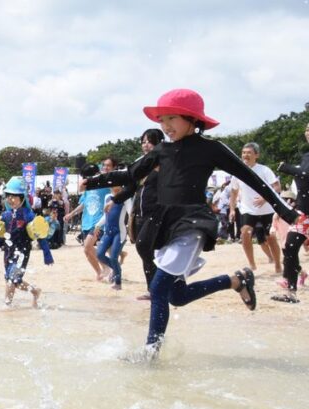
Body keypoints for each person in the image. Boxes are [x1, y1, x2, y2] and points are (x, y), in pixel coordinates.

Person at [83, 89, 299, 356]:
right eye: (161, 120)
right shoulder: (161, 151)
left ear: (191, 119)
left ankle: (150, 352)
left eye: (171, 118)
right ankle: (235, 281)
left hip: (193, 222)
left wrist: (286, 211)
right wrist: (93, 181)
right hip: (165, 226)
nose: (165, 126)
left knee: (159, 288)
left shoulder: (211, 148)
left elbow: (253, 179)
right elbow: (130, 173)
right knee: (176, 296)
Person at [112, 128, 165, 299]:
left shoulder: (166, 161)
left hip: (159, 213)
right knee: (145, 251)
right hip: (140, 214)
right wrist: (115, 199)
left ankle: (165, 285)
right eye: (143, 141)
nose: (146, 144)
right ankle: (153, 289)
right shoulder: (140, 164)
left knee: (150, 248)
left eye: (150, 141)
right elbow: (132, 187)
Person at [0, 178, 54, 307]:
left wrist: (47, 253)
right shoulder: (6, 215)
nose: (10, 199)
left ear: (22, 197)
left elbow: (40, 234)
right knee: (13, 280)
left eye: (14, 196)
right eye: (8, 196)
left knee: (12, 278)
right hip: (8, 252)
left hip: (22, 252)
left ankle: (7, 306)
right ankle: (35, 291)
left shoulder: (28, 215)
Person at [229, 142, 282, 273]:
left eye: (249, 153)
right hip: (248, 209)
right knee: (245, 233)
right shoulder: (237, 171)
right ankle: (252, 264)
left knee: (270, 237)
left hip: (267, 209)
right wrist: (231, 209)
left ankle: (277, 263)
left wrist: (265, 198)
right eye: (243, 152)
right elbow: (234, 192)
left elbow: (277, 187)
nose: (245, 155)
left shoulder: (264, 170)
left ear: (256, 155)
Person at [273, 122, 309, 303]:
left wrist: (286, 167)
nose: (308, 132)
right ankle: (291, 291)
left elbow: (305, 173)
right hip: (304, 213)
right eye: (307, 129)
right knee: (290, 246)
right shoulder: (306, 156)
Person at [66, 159, 113, 280]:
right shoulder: (88, 189)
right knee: (87, 251)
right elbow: (83, 204)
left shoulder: (104, 184)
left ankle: (107, 266)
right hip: (86, 222)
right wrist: (71, 214)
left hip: (99, 222)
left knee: (88, 246)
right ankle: (99, 272)